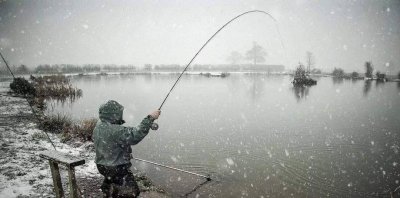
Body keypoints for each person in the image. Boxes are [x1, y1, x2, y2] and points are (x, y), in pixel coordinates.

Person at [93, 100, 161, 198]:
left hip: (102, 166)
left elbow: (110, 142)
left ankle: (108, 192)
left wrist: (123, 152)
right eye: (119, 113)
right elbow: (135, 135)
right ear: (114, 114)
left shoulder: (98, 127)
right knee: (132, 192)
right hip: (117, 168)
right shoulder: (116, 130)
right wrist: (150, 118)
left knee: (110, 183)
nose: (121, 115)